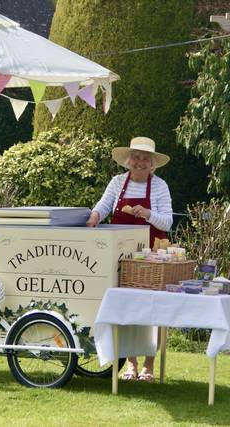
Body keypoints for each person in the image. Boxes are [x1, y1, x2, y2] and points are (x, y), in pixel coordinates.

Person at [86, 136, 173, 381]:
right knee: (125, 309)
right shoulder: (117, 183)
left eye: (146, 158)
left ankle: (149, 365)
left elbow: (168, 221)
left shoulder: (159, 186)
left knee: (152, 309)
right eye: (136, 157)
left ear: (152, 164)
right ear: (128, 160)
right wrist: (93, 218)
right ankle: (130, 364)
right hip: (121, 257)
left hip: (151, 258)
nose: (140, 162)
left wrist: (148, 214)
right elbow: (103, 206)